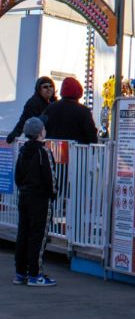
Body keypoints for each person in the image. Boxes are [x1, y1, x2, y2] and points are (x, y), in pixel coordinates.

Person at [13, 117, 57, 286]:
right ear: (40, 132)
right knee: (38, 235)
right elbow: (50, 177)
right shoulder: (43, 151)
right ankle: (35, 274)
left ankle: (20, 272)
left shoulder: (23, 151)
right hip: (40, 198)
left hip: (24, 195)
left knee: (23, 233)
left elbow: (18, 176)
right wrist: (53, 193)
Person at [41, 77, 98, 144]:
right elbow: (91, 136)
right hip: (77, 152)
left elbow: (42, 129)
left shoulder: (50, 108)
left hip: (53, 151)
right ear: (79, 91)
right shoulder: (84, 111)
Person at [6, 76, 57, 143]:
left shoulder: (54, 103)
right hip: (36, 141)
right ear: (39, 89)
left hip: (49, 140)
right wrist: (14, 133)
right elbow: (25, 120)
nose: (49, 89)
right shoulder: (33, 103)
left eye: (51, 86)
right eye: (45, 87)